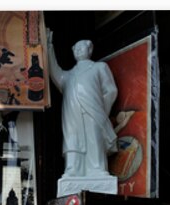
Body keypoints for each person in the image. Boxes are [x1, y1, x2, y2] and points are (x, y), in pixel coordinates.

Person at [47, 30, 118, 178]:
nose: (78, 50)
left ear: (90, 49)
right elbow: (55, 72)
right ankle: (73, 168)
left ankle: (98, 168)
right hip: (72, 112)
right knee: (73, 139)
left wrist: (102, 109)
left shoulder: (99, 67)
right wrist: (49, 47)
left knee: (94, 138)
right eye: (76, 48)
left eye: (82, 47)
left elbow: (110, 90)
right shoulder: (68, 75)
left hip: (93, 110)